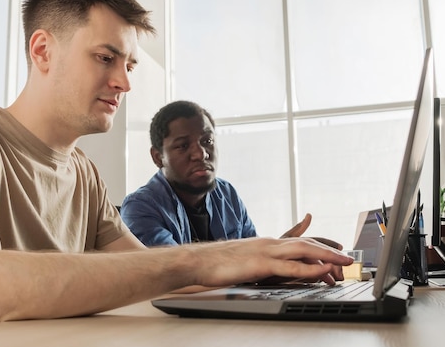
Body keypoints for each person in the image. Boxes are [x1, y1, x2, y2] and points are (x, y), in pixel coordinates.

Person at [0, 0, 352, 346]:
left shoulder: (82, 173)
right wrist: (216, 255)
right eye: (106, 57)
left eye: (129, 64)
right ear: (42, 51)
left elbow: (150, 275)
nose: (125, 82)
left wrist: (260, 270)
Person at [121, 100, 333, 247]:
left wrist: (281, 255)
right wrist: (265, 257)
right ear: (158, 157)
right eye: (183, 146)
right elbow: (175, 271)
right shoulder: (139, 208)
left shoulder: (227, 194)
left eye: (208, 141)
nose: (201, 153)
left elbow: (253, 263)